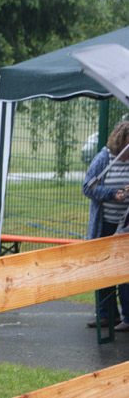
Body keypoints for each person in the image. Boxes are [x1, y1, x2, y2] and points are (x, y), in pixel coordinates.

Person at [82, 120, 129, 331]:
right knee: (103, 268)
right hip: (106, 224)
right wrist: (112, 194)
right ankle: (106, 314)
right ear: (121, 141)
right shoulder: (104, 158)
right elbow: (88, 187)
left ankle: (127, 316)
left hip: (125, 226)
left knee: (125, 272)